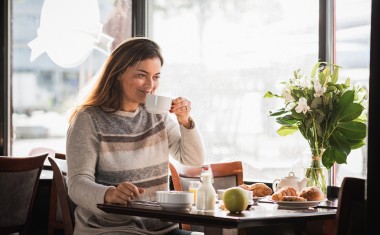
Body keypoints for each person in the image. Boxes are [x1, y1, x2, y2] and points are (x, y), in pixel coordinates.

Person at [66, 37, 205, 235]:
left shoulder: (157, 115)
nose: (150, 85)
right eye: (142, 75)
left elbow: (193, 159)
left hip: (162, 229)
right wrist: (109, 194)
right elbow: (77, 184)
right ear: (118, 74)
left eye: (156, 76)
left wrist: (185, 121)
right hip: (109, 229)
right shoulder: (88, 119)